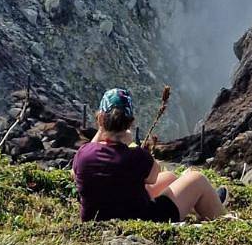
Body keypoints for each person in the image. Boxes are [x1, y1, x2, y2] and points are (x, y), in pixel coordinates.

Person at [72, 88, 228, 223]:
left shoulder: (83, 154)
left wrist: (101, 131)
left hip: (95, 219)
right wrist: (130, 144)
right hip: (142, 218)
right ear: (130, 123)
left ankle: (199, 204)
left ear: (100, 119)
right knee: (196, 179)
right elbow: (153, 176)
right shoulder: (136, 156)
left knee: (169, 178)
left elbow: (74, 173)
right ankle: (221, 217)